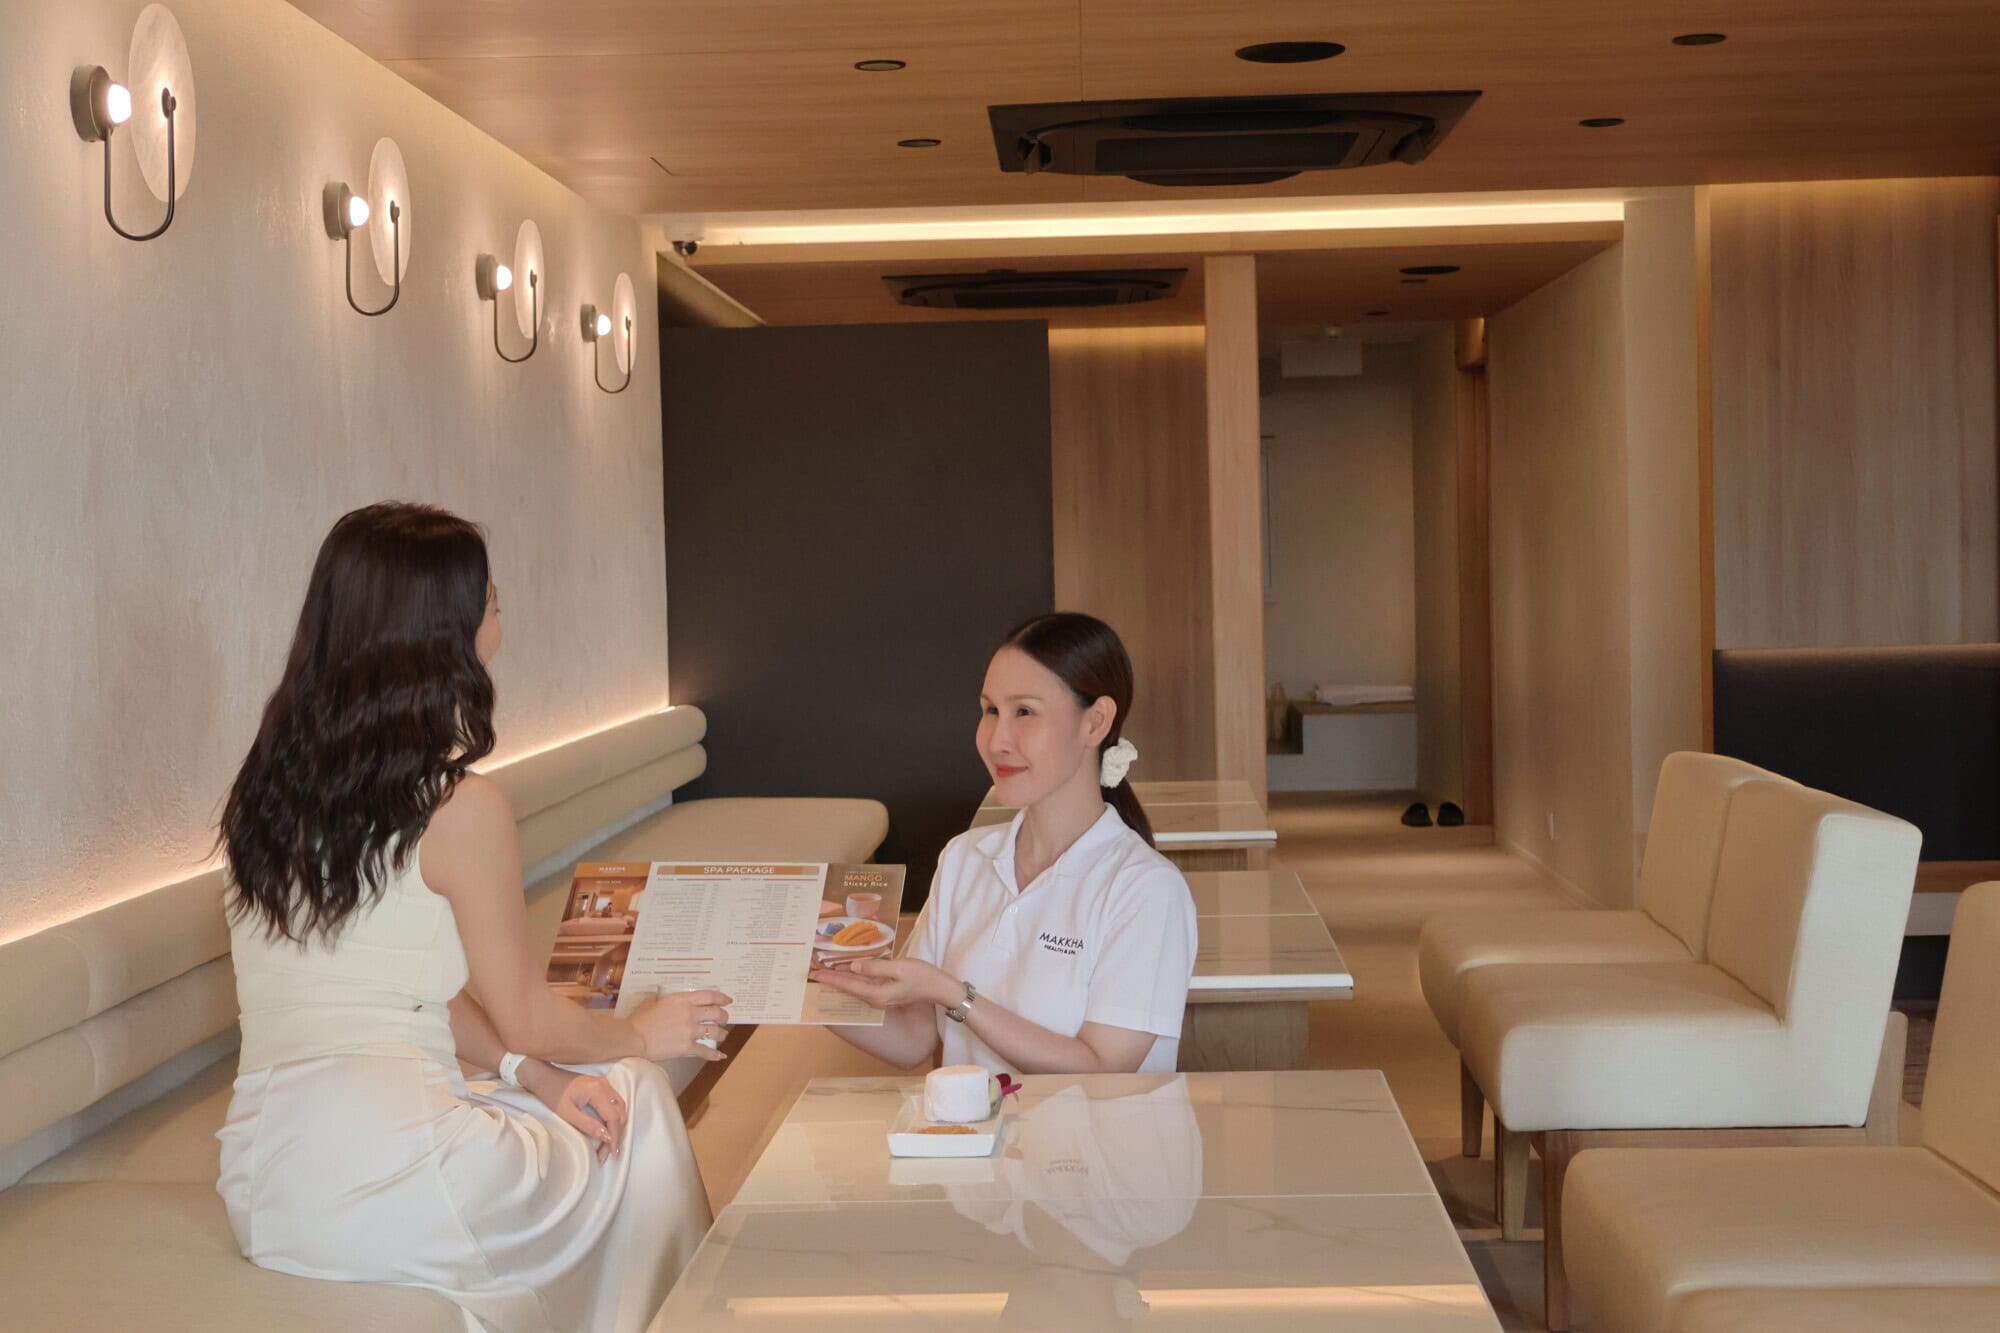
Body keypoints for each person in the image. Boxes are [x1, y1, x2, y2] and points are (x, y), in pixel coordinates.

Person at [214, 502, 724, 1333]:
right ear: (442, 635)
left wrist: (535, 1075)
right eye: (490, 600)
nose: (500, 616)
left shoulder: (265, 796)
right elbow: (527, 1015)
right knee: (634, 1102)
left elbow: (417, 990)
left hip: (265, 1188)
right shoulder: (459, 805)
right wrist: (641, 1031)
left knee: (552, 1099)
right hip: (401, 1177)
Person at [813, 612, 1198, 1075]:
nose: (997, 740)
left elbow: (1102, 1068)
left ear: (1095, 723)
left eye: (1024, 712)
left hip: (1091, 1127)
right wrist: (793, 981)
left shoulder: (1147, 888)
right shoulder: (964, 858)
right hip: (977, 1126)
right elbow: (914, 1038)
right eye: (990, 710)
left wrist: (953, 994)